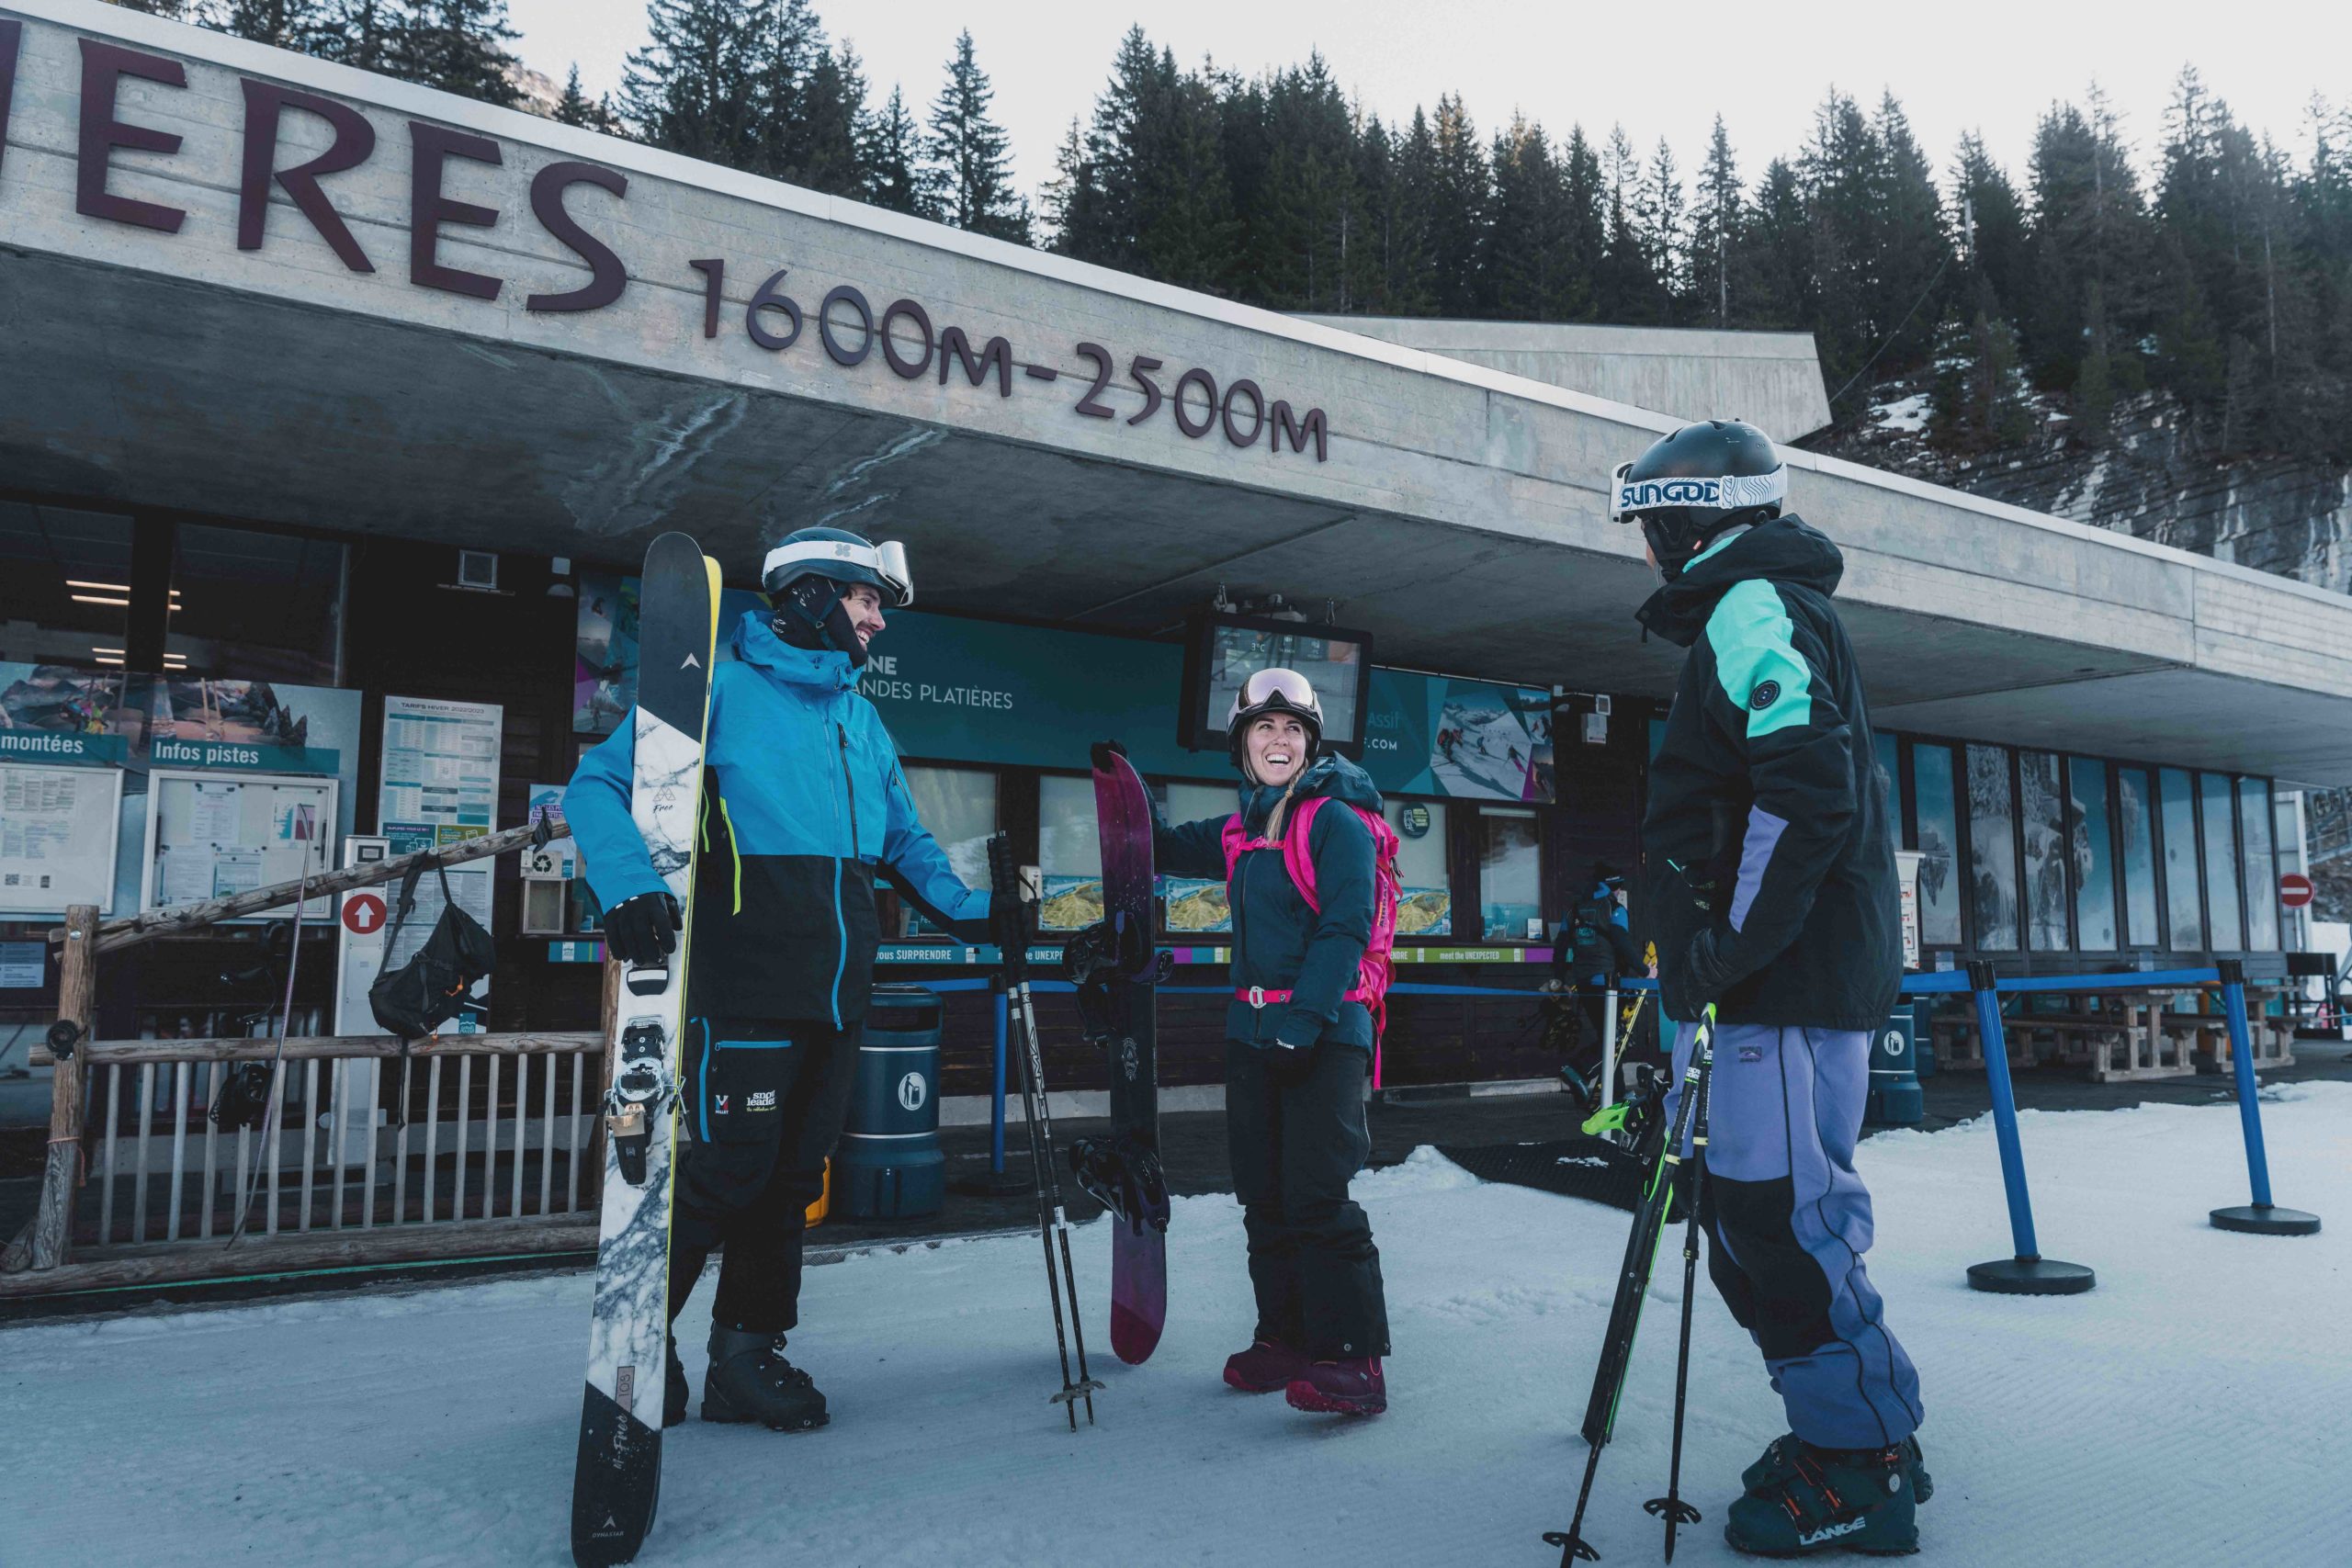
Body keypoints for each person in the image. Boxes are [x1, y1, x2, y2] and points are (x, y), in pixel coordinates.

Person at [567, 525, 990, 1434]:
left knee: (792, 1179)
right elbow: (595, 785)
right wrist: (628, 887)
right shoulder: (716, 691)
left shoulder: (857, 718)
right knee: (722, 1173)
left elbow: (907, 844)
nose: (878, 619)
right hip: (746, 985)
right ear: (810, 595)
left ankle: (746, 1355)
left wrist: (979, 912)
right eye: (866, 598)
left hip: (838, 994)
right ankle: (638, 1343)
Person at [1613, 420, 1928, 1555]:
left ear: (1687, 519)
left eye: (1647, 525)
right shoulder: (1749, 610)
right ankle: (1848, 1426)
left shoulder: (1755, 606)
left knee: (1786, 1223)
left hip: (1779, 989)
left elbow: (1805, 787)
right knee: (1755, 1223)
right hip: (1762, 989)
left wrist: (1723, 954)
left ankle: (1861, 1461)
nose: (1644, 550)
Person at [1143, 668, 1392, 1416]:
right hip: (1251, 1033)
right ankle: (1283, 1337)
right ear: (1242, 746)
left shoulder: (1333, 821)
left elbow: (1345, 928)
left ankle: (1353, 1358)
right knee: (1263, 1195)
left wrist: (1304, 1024)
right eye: (1263, 728)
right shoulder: (1240, 829)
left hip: (1324, 1030)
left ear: (1310, 745)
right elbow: (1156, 846)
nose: (1277, 740)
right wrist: (1125, 788)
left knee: (1318, 1194)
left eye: (1291, 729)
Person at [1550, 861, 1642, 1104]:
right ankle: (1577, 1070)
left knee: (1609, 1036)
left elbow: (1559, 947)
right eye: (1619, 886)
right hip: (1608, 984)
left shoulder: (1575, 910)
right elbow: (1622, 941)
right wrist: (1645, 970)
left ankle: (1617, 1095)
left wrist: (1559, 979)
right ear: (1614, 887)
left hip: (1584, 983)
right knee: (1617, 1039)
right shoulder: (1614, 909)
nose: (1621, 891)